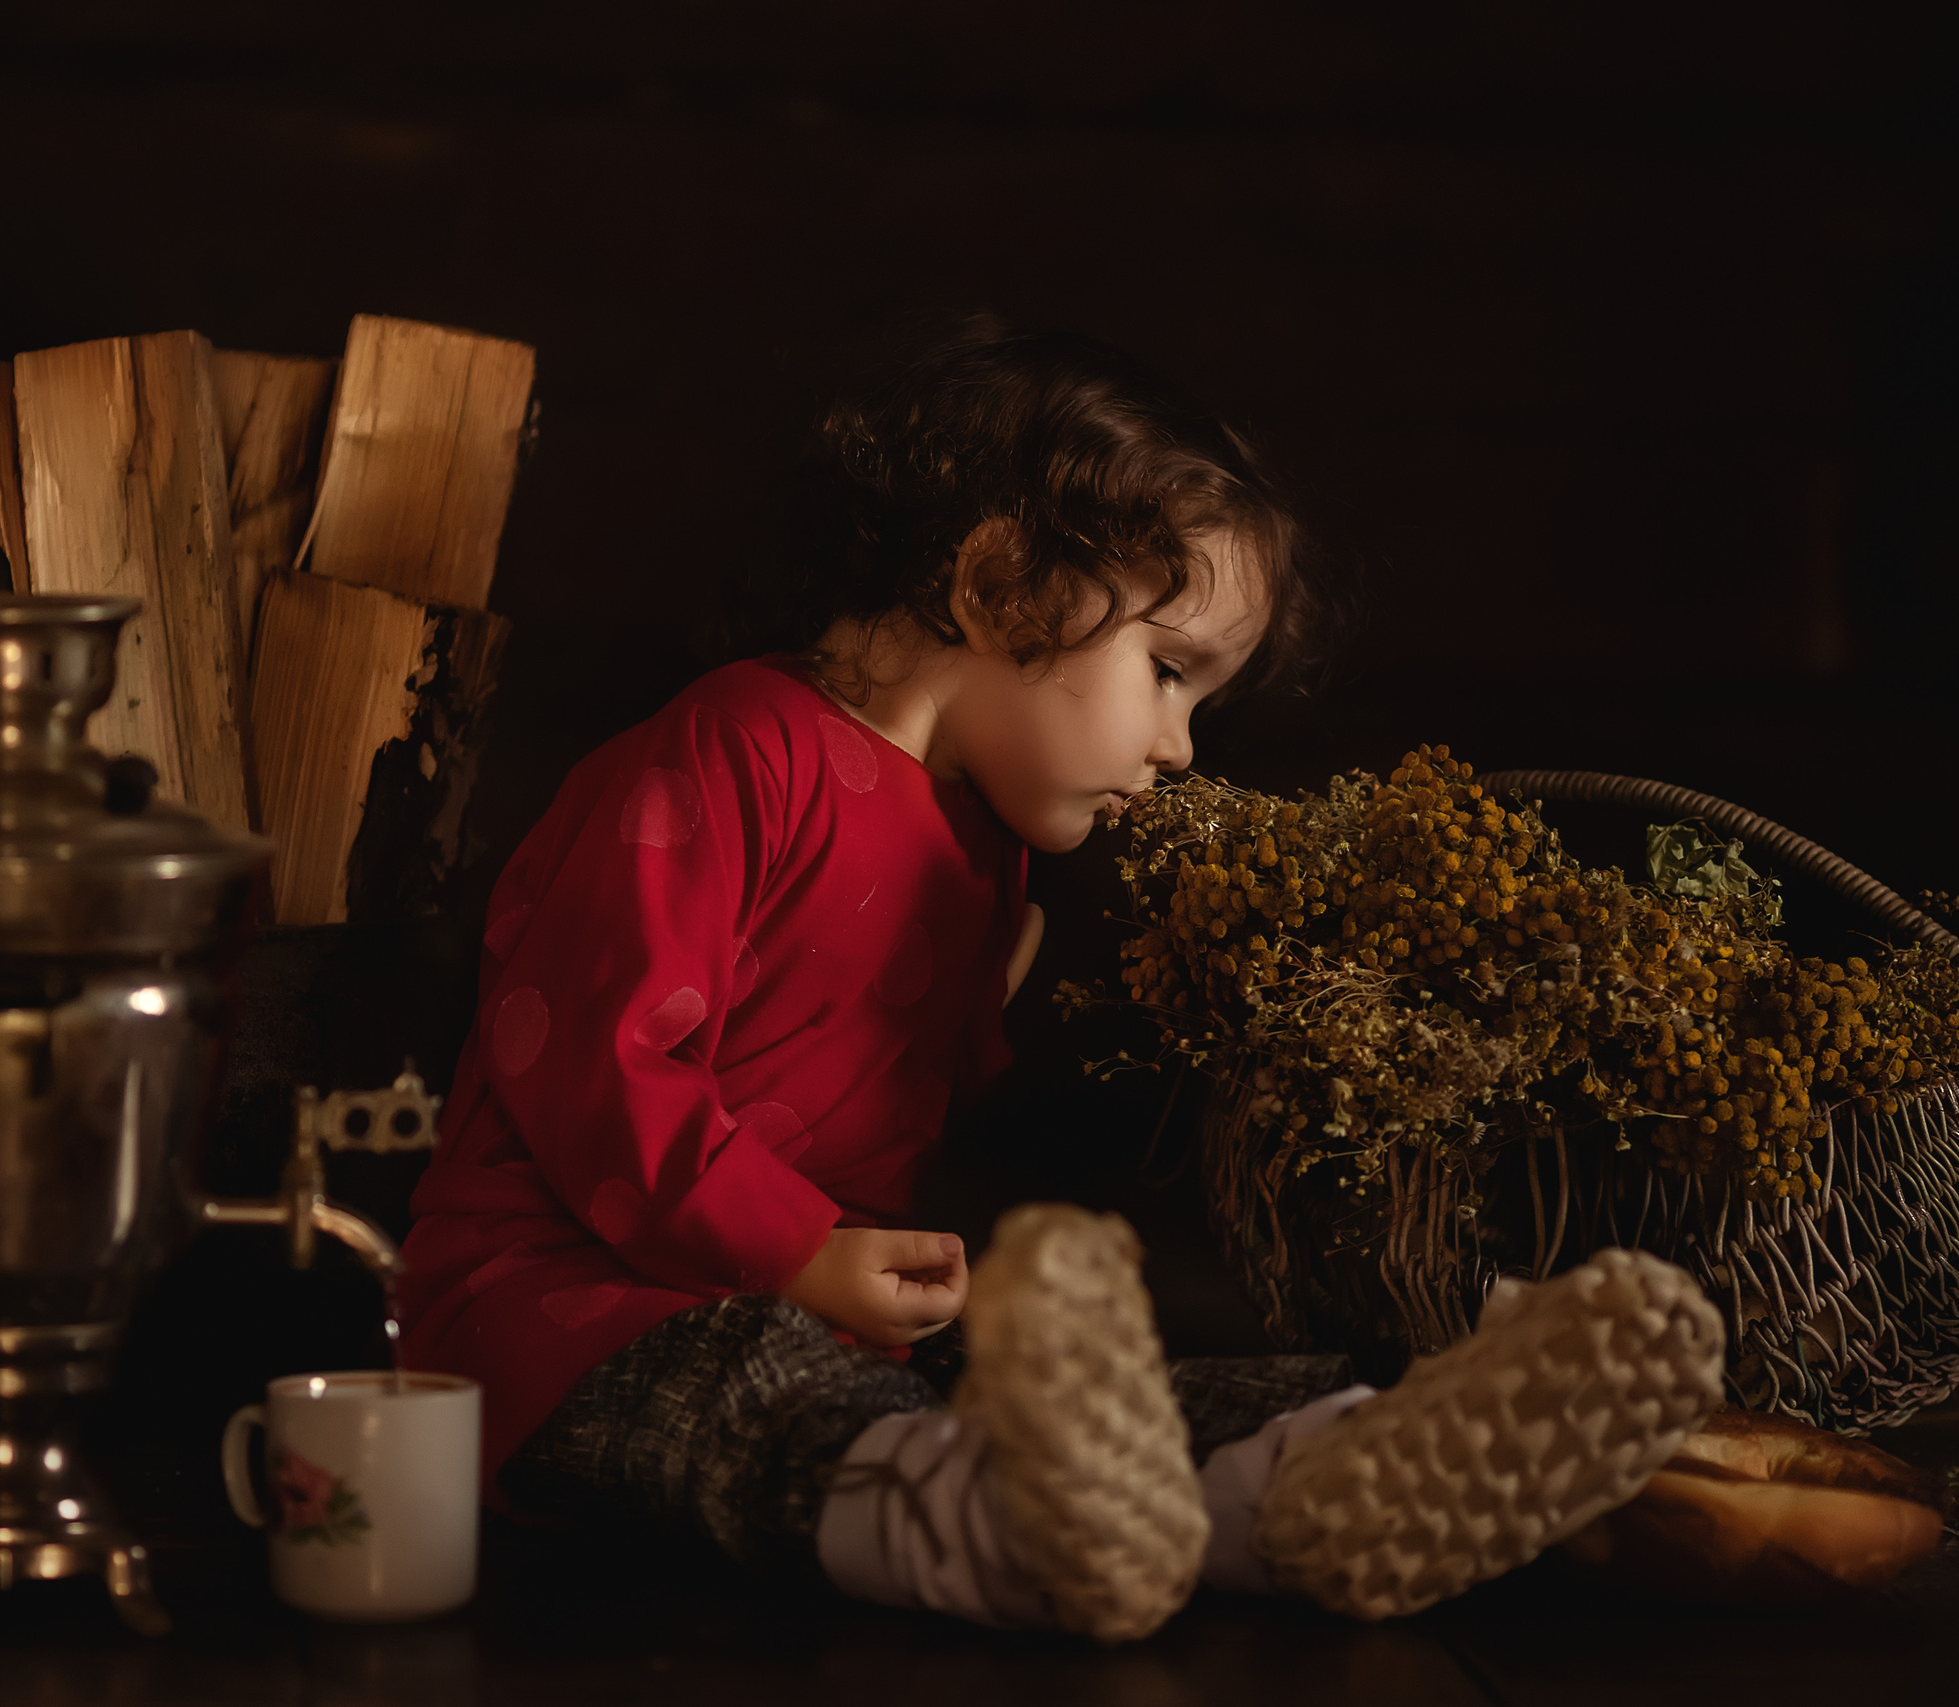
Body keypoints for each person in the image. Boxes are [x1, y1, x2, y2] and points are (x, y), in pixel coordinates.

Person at [397, 318, 1724, 1640]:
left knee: (1107, 1389)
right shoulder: (737, 751)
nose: (1180, 747)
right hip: (565, 1306)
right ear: (1000, 588)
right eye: (1168, 673)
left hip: (832, 1314)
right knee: (755, 1398)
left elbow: (874, 1100)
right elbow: (594, 1065)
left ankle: (1331, 1457)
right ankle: (1002, 1526)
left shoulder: (981, 841)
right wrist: (796, 1250)